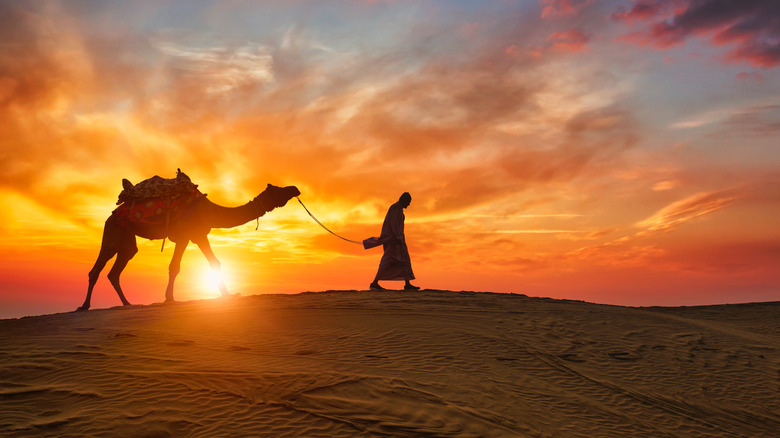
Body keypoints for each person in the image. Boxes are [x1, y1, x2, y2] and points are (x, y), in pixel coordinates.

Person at [363, 192, 420, 291]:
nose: (409, 204)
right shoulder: (395, 208)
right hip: (393, 241)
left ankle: (407, 283)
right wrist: (398, 238)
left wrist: (400, 238)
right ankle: (374, 283)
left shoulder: (398, 209)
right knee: (386, 261)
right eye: (408, 202)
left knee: (405, 261)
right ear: (404, 200)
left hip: (398, 240)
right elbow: (394, 225)